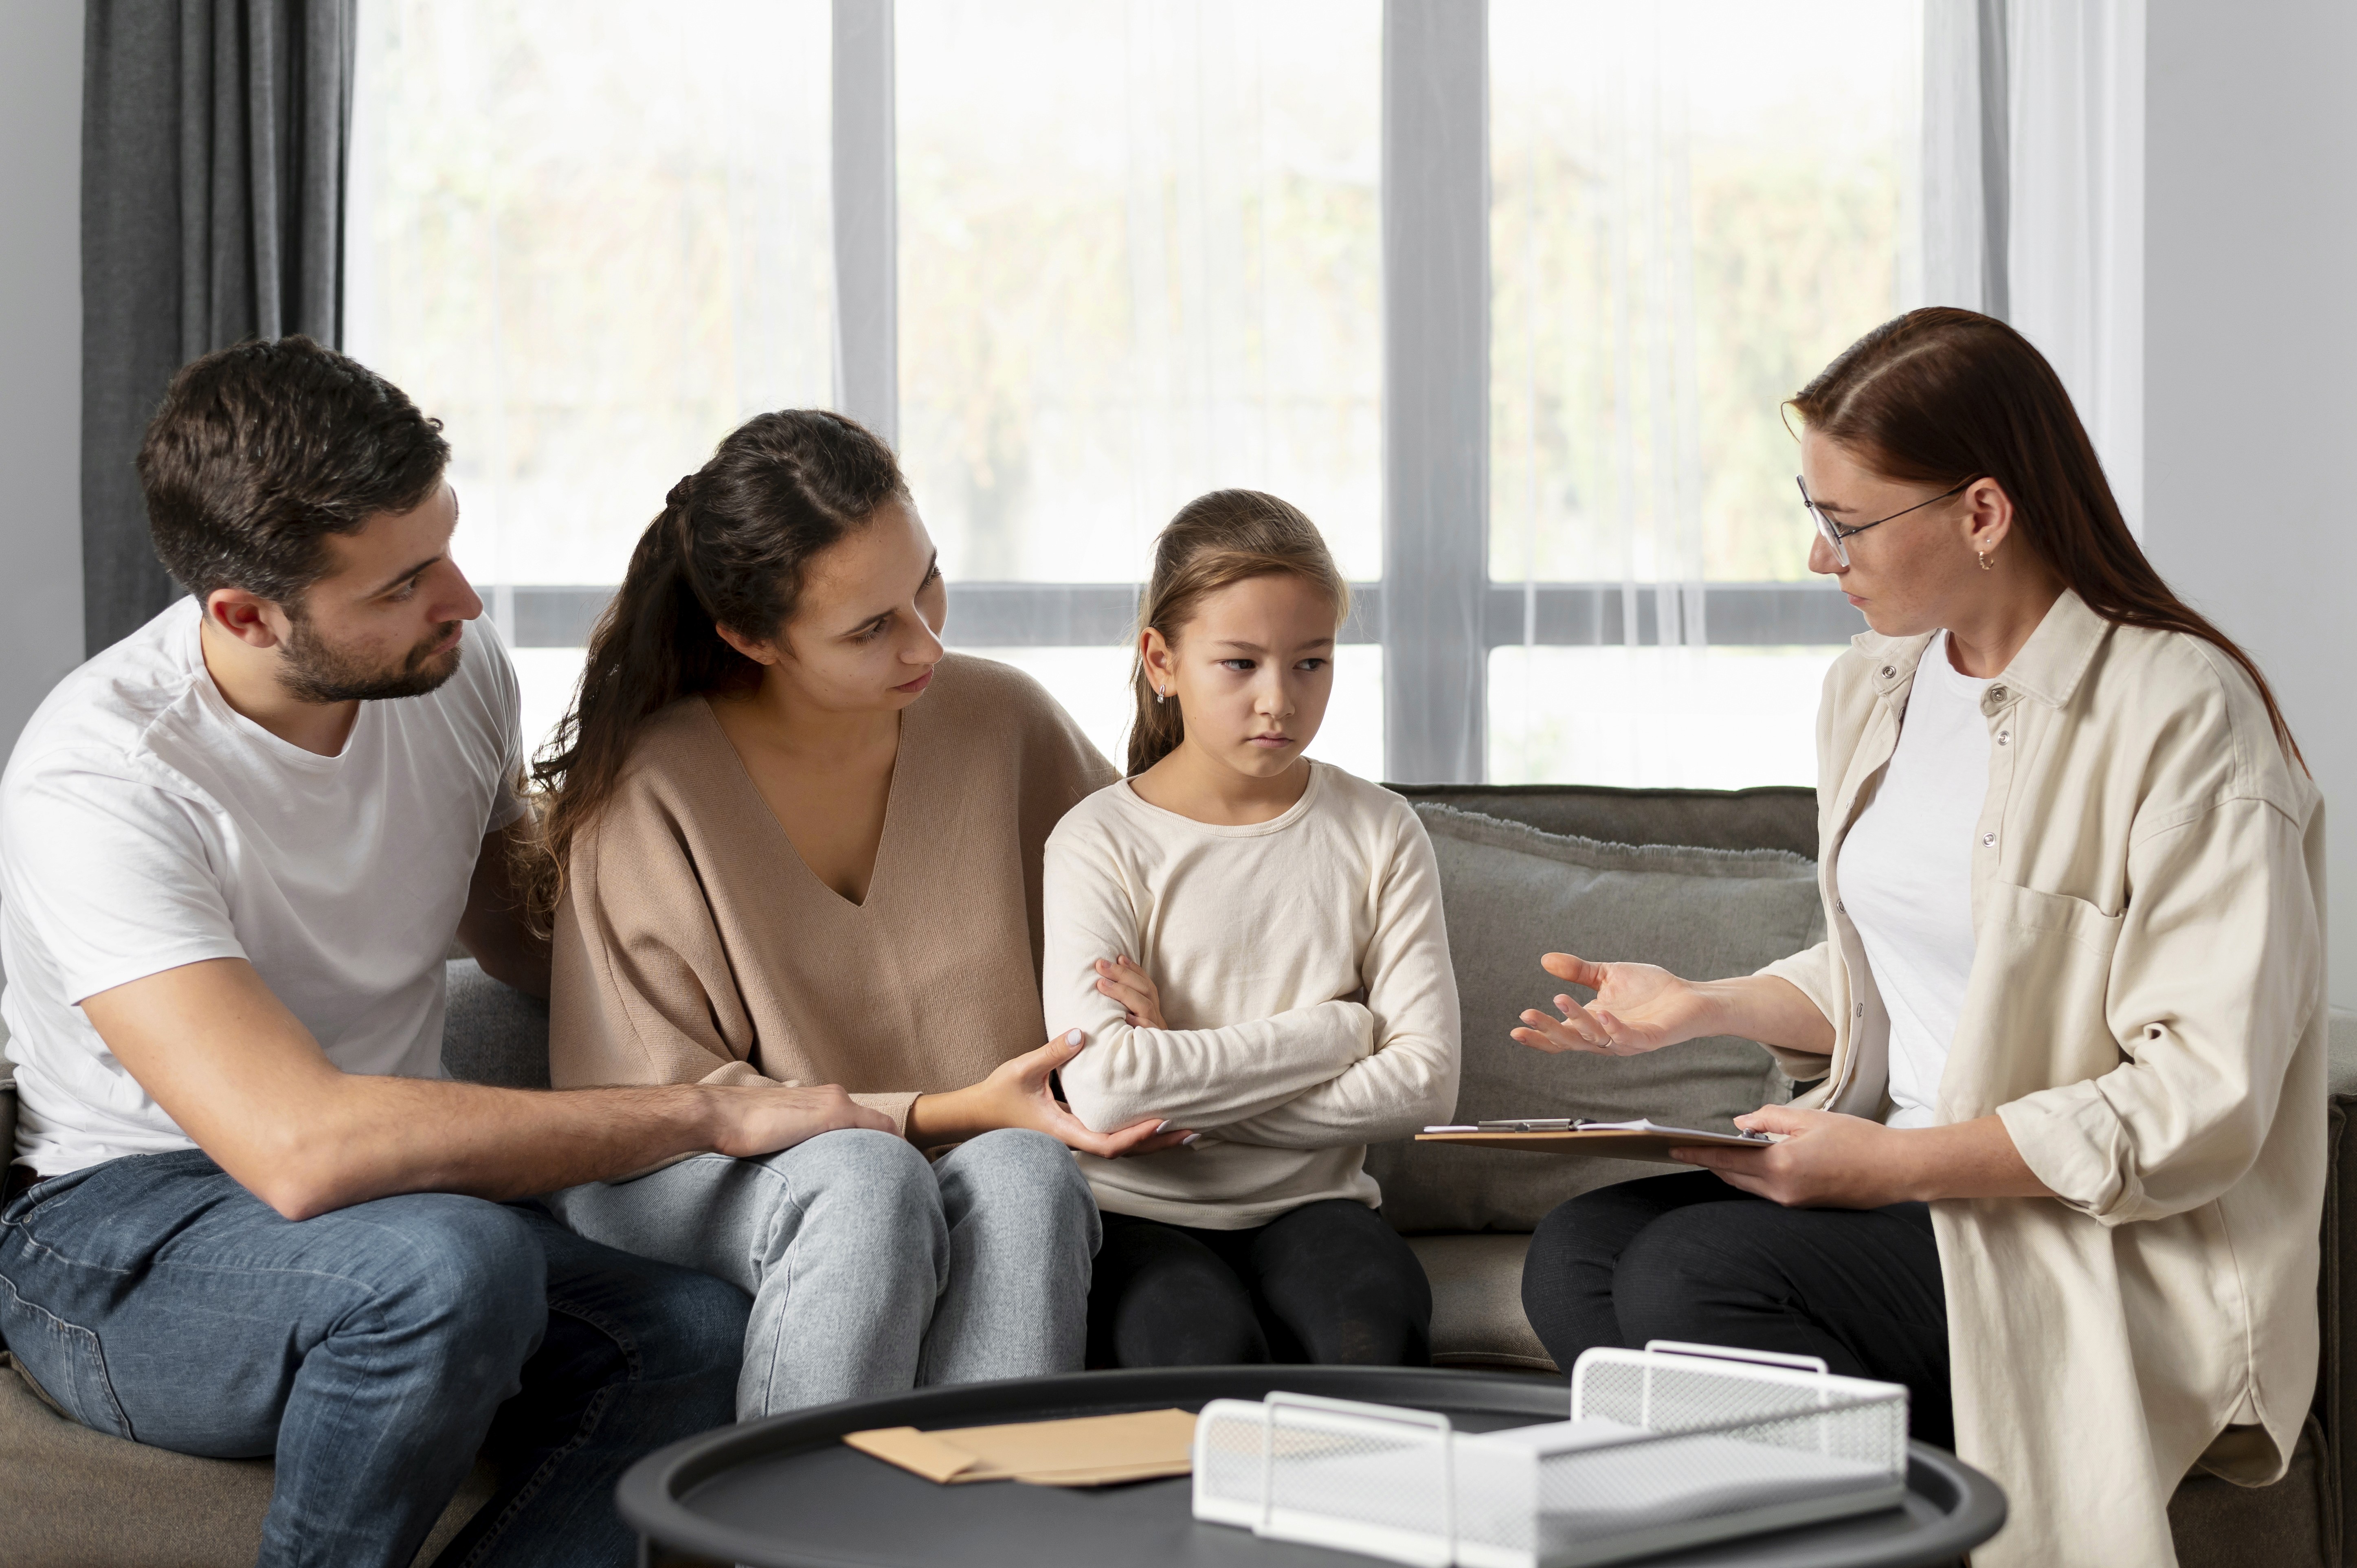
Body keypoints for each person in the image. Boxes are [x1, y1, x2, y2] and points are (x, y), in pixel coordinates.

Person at [0, 338, 881, 1568]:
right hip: (126, 1235)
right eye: (404, 581)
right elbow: (299, 1148)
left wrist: (779, 972)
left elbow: (522, 944)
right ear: (247, 614)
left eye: (448, 542)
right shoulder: (103, 779)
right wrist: (702, 1114)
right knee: (446, 1264)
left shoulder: (450, 680)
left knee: (692, 1330)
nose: (461, 599)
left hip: (393, 1208)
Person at [1511, 309, 2325, 1568]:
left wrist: (1891, 1168)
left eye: (1846, 522)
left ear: (1982, 511)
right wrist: (1706, 1003)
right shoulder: (1877, 684)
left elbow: (2197, 1100)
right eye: (1812, 510)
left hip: (2085, 1230)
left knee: (1692, 1278)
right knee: (1576, 1255)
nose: (1818, 555)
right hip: (1916, 1184)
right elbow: (1920, 967)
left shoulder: (2182, 717)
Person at [531, 409, 1185, 1417]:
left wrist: (1147, 982)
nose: (925, 640)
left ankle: (986, 1536)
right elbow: (670, 1103)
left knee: (1024, 1173)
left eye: (925, 580)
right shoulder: (649, 790)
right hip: (697, 1161)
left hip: (970, 1138)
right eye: (869, 626)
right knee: (864, 1180)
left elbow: (1155, 893)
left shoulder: (1001, 719)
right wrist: (937, 1113)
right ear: (752, 637)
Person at [1044, 490, 1460, 1369]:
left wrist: (1191, 1086)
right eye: (1239, 664)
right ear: (1161, 660)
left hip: (1316, 1206)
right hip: (1135, 1211)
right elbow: (1110, 1092)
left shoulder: (1379, 830)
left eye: (1311, 663)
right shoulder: (1097, 840)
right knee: (1196, 1347)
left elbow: (1424, 1083)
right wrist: (1335, 1031)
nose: (1279, 701)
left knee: (1369, 1336)